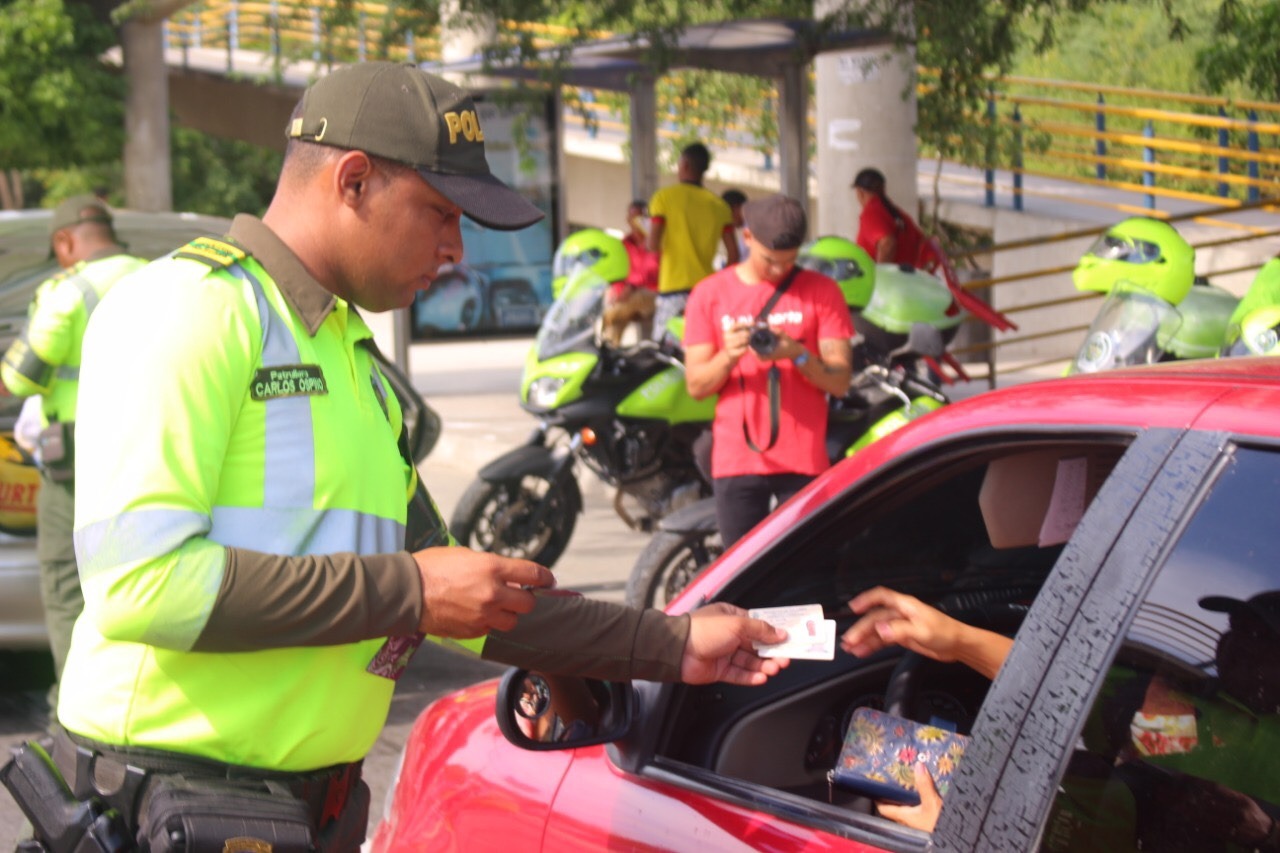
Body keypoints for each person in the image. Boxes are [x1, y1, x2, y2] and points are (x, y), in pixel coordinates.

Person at [26, 63, 791, 853]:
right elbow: (141, 586)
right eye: (440, 213)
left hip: (298, 814)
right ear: (353, 181)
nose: (457, 249)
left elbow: (461, 588)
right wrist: (412, 591)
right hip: (162, 805)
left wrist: (672, 642)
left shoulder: (353, 361)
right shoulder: (189, 309)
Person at [842, 586, 1280, 847]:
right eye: (1234, 627)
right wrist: (958, 641)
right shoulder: (1176, 691)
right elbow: (1071, 685)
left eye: (1257, 635)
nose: (1234, 642)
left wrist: (965, 836)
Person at [0, 195, 147, 710]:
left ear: (65, 242)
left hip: (78, 464)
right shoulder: (161, 277)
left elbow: (17, 377)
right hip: (152, 452)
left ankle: (76, 705)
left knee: (66, 580)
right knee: (140, 576)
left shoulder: (67, 293)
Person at [683, 194, 853, 548]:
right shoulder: (709, 294)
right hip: (736, 461)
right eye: (769, 261)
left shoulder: (822, 292)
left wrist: (798, 355)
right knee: (743, 582)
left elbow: (839, 383)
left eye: (789, 262)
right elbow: (697, 385)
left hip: (804, 461)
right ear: (747, 238)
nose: (779, 271)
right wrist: (727, 356)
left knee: (803, 576)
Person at [648, 142, 739, 338]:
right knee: (702, 346)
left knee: (664, 352)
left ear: (685, 165)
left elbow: (652, 244)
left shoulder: (663, 198)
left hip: (672, 289)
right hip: (706, 291)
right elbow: (734, 254)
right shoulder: (720, 206)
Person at [852, 167, 936, 268]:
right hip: (907, 278)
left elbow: (887, 243)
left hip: (891, 280)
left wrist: (882, 276)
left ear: (860, 192)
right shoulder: (897, 213)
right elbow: (922, 242)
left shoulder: (872, 212)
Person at [601, 200, 658, 344]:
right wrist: (618, 292)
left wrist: (631, 287)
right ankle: (610, 348)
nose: (637, 222)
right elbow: (618, 273)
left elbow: (652, 272)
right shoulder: (623, 245)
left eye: (641, 217)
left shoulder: (655, 243)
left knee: (616, 312)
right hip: (628, 297)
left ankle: (610, 316)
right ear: (628, 219)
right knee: (615, 323)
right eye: (634, 217)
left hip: (652, 295)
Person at [721, 188, 749, 265]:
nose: (728, 220)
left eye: (727, 214)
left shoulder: (749, 229)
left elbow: (735, 257)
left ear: (736, 208)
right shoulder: (748, 227)